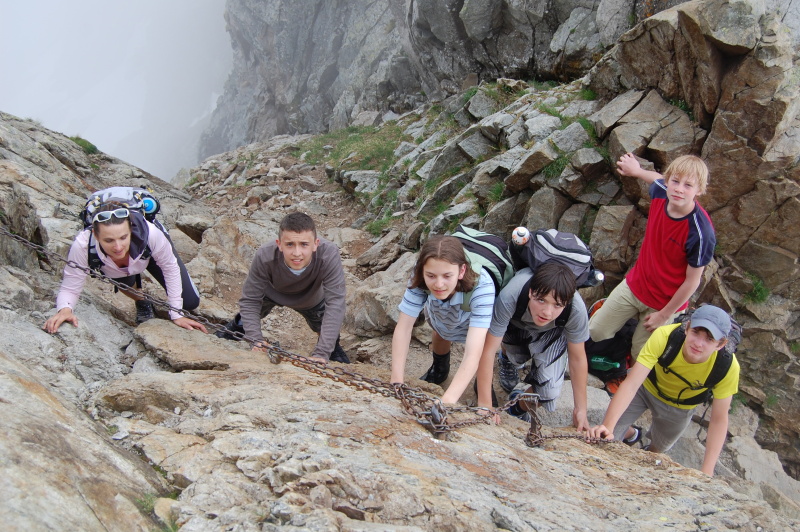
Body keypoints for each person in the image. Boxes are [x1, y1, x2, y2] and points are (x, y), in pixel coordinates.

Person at [589, 153, 716, 392]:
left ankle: (626, 378)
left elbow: (692, 282)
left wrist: (663, 315)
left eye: (688, 185)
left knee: (642, 355)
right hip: (636, 284)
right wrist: (636, 170)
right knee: (596, 331)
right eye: (675, 181)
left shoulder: (700, 233)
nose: (679, 189)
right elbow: (655, 178)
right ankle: (610, 316)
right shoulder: (661, 191)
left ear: (699, 190)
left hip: (664, 304)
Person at [587, 305, 739, 476]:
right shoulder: (665, 336)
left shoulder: (727, 366)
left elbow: (719, 420)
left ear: (721, 344)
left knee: (656, 451)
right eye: (696, 332)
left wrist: (707, 471)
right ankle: (632, 435)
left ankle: (645, 454)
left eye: (709, 339)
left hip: (680, 407)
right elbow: (632, 384)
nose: (698, 343)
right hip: (645, 387)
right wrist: (607, 427)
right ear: (687, 328)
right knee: (610, 436)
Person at [43, 203, 207, 333]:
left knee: (190, 301)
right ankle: (142, 300)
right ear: (95, 235)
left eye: (123, 237)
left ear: (131, 229)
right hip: (115, 268)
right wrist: (65, 309)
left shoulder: (151, 234)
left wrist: (176, 314)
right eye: (109, 240)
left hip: (147, 252)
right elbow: (71, 285)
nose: (118, 247)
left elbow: (170, 268)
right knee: (125, 281)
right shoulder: (83, 245)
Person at [216, 212, 349, 363]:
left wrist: (322, 353)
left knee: (325, 324)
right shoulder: (265, 255)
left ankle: (333, 347)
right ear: (279, 244)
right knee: (246, 316)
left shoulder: (328, 253)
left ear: (315, 244)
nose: (297, 253)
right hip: (271, 292)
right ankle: (237, 326)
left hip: (311, 297)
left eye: (304, 244)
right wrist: (255, 339)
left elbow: (336, 302)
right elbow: (250, 300)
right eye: (290, 244)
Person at [475, 262, 591, 430]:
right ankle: (507, 358)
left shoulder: (576, 310)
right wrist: (485, 404)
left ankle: (516, 408)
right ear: (531, 292)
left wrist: (581, 409)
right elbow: (488, 349)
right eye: (541, 300)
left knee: (548, 392)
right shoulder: (511, 295)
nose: (547, 312)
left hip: (552, 332)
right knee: (517, 357)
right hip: (516, 322)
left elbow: (578, 358)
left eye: (557, 305)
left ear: (566, 303)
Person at [390, 235, 495, 405]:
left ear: (462, 271)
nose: (439, 284)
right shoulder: (420, 274)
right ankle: (440, 369)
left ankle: (483, 383)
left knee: (486, 346)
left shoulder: (483, 287)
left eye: (447, 276)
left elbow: (472, 353)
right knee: (441, 327)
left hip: (475, 309)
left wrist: (447, 401)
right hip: (440, 309)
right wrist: (396, 380)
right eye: (431, 276)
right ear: (422, 270)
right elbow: (404, 327)